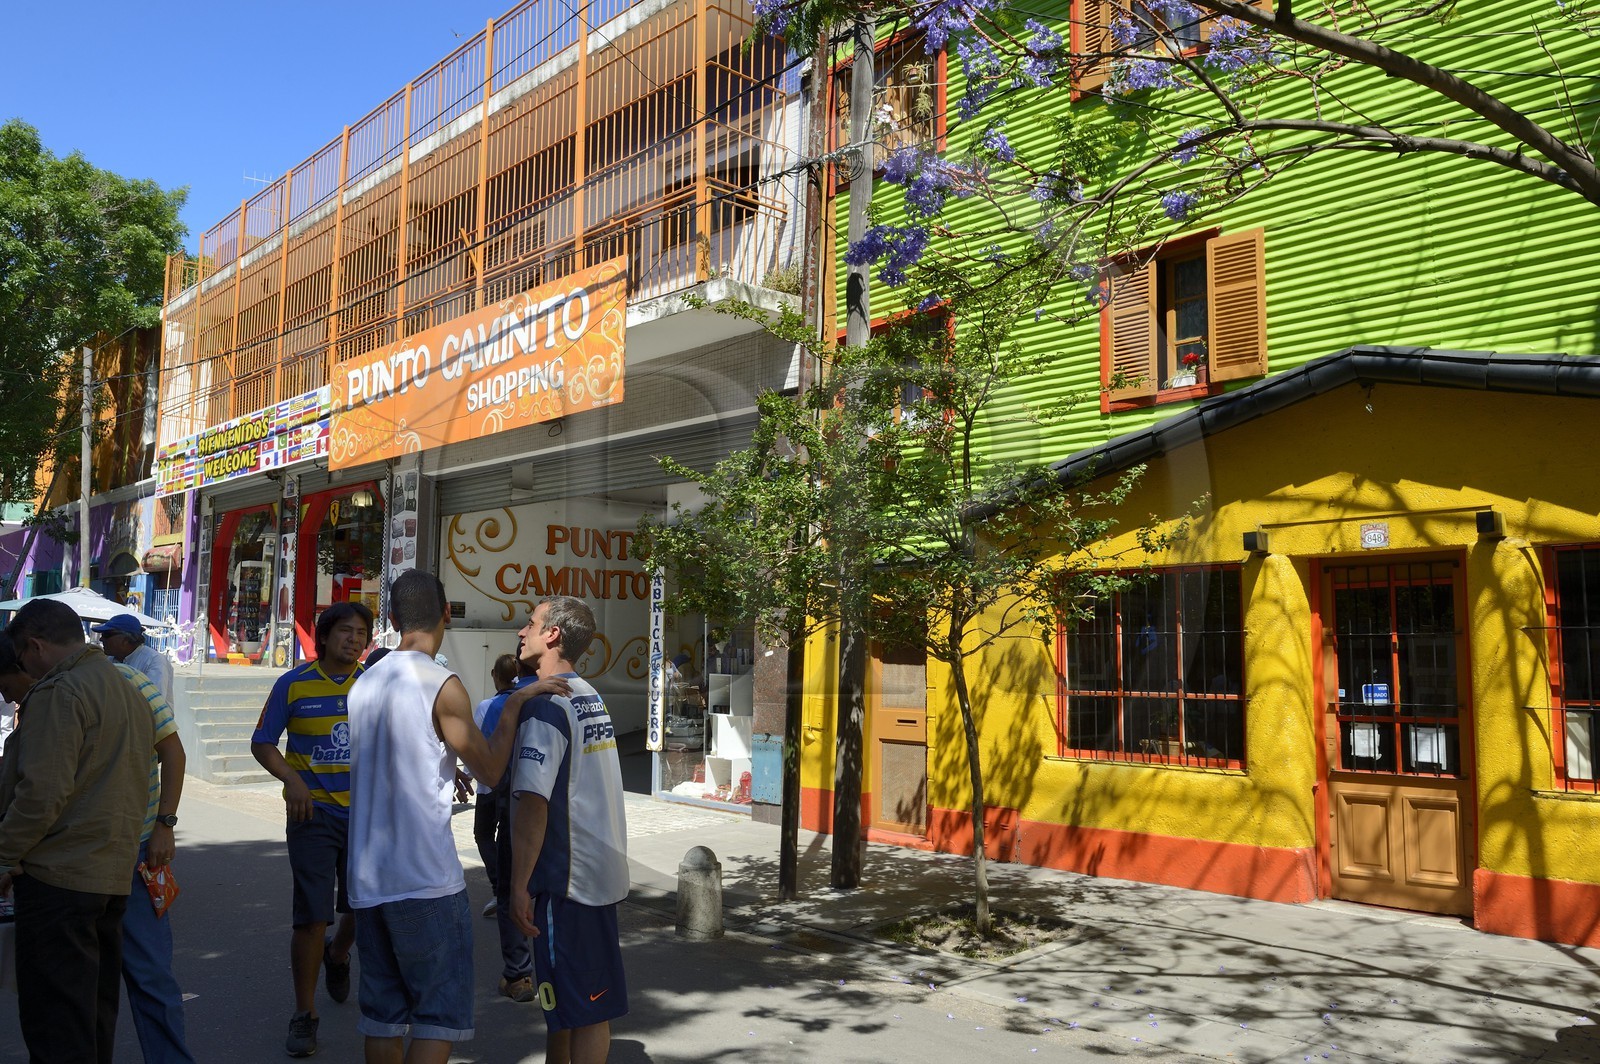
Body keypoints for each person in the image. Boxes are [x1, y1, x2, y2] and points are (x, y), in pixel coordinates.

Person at [345, 571, 566, 1064]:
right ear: (446, 613)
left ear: (393, 618)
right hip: (424, 880)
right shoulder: (440, 683)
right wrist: (515, 704)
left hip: (367, 879)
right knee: (435, 1017)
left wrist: (445, 767)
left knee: (382, 1015)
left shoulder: (364, 682)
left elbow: (403, 754)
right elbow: (489, 767)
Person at [0, 630, 196, 1062]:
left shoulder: (123, 681)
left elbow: (173, 751)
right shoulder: (54, 692)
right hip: (92, 858)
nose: (10, 695)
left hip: (128, 848)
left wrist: (165, 823)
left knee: (142, 978)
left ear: (33, 648)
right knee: (92, 993)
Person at [509, 596, 631, 1064]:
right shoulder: (587, 694)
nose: (522, 631)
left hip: (568, 884)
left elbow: (532, 806)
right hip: (594, 874)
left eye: (531, 623)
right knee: (565, 1005)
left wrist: (519, 886)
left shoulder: (547, 707)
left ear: (552, 635)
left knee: (582, 1009)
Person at [251, 601, 373, 1058]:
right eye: (346, 631)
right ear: (323, 637)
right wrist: (293, 780)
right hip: (313, 816)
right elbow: (262, 742)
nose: (355, 640)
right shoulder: (293, 684)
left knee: (364, 906)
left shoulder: (372, 684)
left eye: (362, 632)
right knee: (311, 916)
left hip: (366, 816)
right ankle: (305, 1015)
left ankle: (339, 953)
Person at [477, 652, 542, 1002]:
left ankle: (519, 975)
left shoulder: (511, 703)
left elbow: (489, 761)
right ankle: (550, 972)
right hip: (556, 815)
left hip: (515, 804)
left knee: (511, 892)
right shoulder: (574, 695)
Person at [470, 654, 519, 920]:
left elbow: (474, 742)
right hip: (519, 782)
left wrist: (467, 774)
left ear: (494, 675)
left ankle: (499, 887)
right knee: (509, 836)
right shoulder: (525, 702)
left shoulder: (487, 706)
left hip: (490, 783)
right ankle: (512, 889)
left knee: (483, 834)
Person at [93, 612, 176, 703]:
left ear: (125, 640)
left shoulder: (154, 660)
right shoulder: (109, 660)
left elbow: (152, 702)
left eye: (106, 635)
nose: (101, 639)